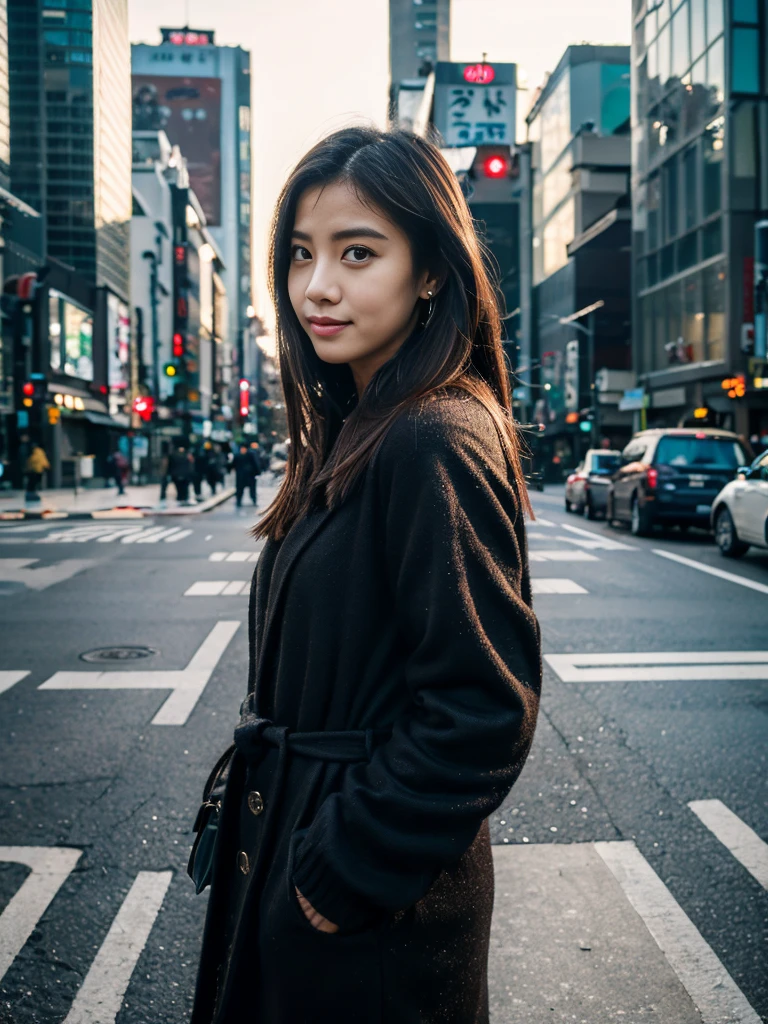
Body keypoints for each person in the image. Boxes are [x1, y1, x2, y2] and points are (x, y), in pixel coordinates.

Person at [190, 128, 542, 1024]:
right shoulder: (361, 424)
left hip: (369, 925)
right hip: (311, 864)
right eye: (302, 254)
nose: (319, 286)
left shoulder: (432, 434)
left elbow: (483, 709)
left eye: (359, 253)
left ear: (431, 271)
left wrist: (341, 871)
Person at [232, 443, 258, 508]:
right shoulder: (237, 456)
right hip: (241, 476)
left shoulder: (250, 455)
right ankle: (238, 501)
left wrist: (257, 473)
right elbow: (233, 464)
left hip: (250, 475)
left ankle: (254, 500)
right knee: (239, 489)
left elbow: (255, 464)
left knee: (252, 490)